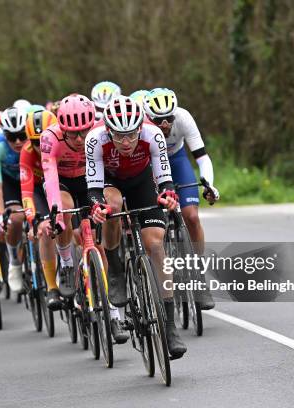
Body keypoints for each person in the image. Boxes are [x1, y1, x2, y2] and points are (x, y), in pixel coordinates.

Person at [85, 95, 186, 359]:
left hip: (142, 182)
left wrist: (168, 194)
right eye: (119, 136)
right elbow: (94, 188)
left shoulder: (153, 134)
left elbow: (164, 178)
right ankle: (116, 269)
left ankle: (169, 325)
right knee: (113, 205)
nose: (126, 142)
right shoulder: (95, 139)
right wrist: (97, 206)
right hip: (111, 182)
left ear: (140, 128)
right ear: (108, 131)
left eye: (131, 134)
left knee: (155, 244)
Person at [41, 94, 129, 343]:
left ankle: (113, 315)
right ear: (62, 129)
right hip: (63, 183)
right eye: (72, 134)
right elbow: (49, 175)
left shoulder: (102, 129)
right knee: (65, 211)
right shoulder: (50, 137)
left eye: (83, 132)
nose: (79, 139)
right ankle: (67, 264)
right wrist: (55, 210)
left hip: (92, 181)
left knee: (99, 247)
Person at [143, 88, 219, 309]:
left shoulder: (184, 117)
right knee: (158, 224)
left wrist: (208, 184)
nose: (165, 124)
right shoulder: (142, 125)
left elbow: (202, 157)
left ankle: (197, 273)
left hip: (177, 160)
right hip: (150, 164)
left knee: (192, 216)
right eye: (159, 119)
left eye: (169, 118)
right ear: (149, 117)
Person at [20, 109, 61, 309]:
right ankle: (52, 288)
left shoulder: (64, 143)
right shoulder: (26, 153)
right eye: (36, 142)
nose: (41, 145)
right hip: (39, 189)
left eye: (46, 138)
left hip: (62, 186)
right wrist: (34, 221)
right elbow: (26, 193)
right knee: (45, 230)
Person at [0, 107, 27, 292]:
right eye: (12, 137)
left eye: (21, 135)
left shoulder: (35, 140)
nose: (18, 142)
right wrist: (1, 215)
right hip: (10, 183)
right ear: (4, 134)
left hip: (31, 179)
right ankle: (14, 261)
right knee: (16, 219)